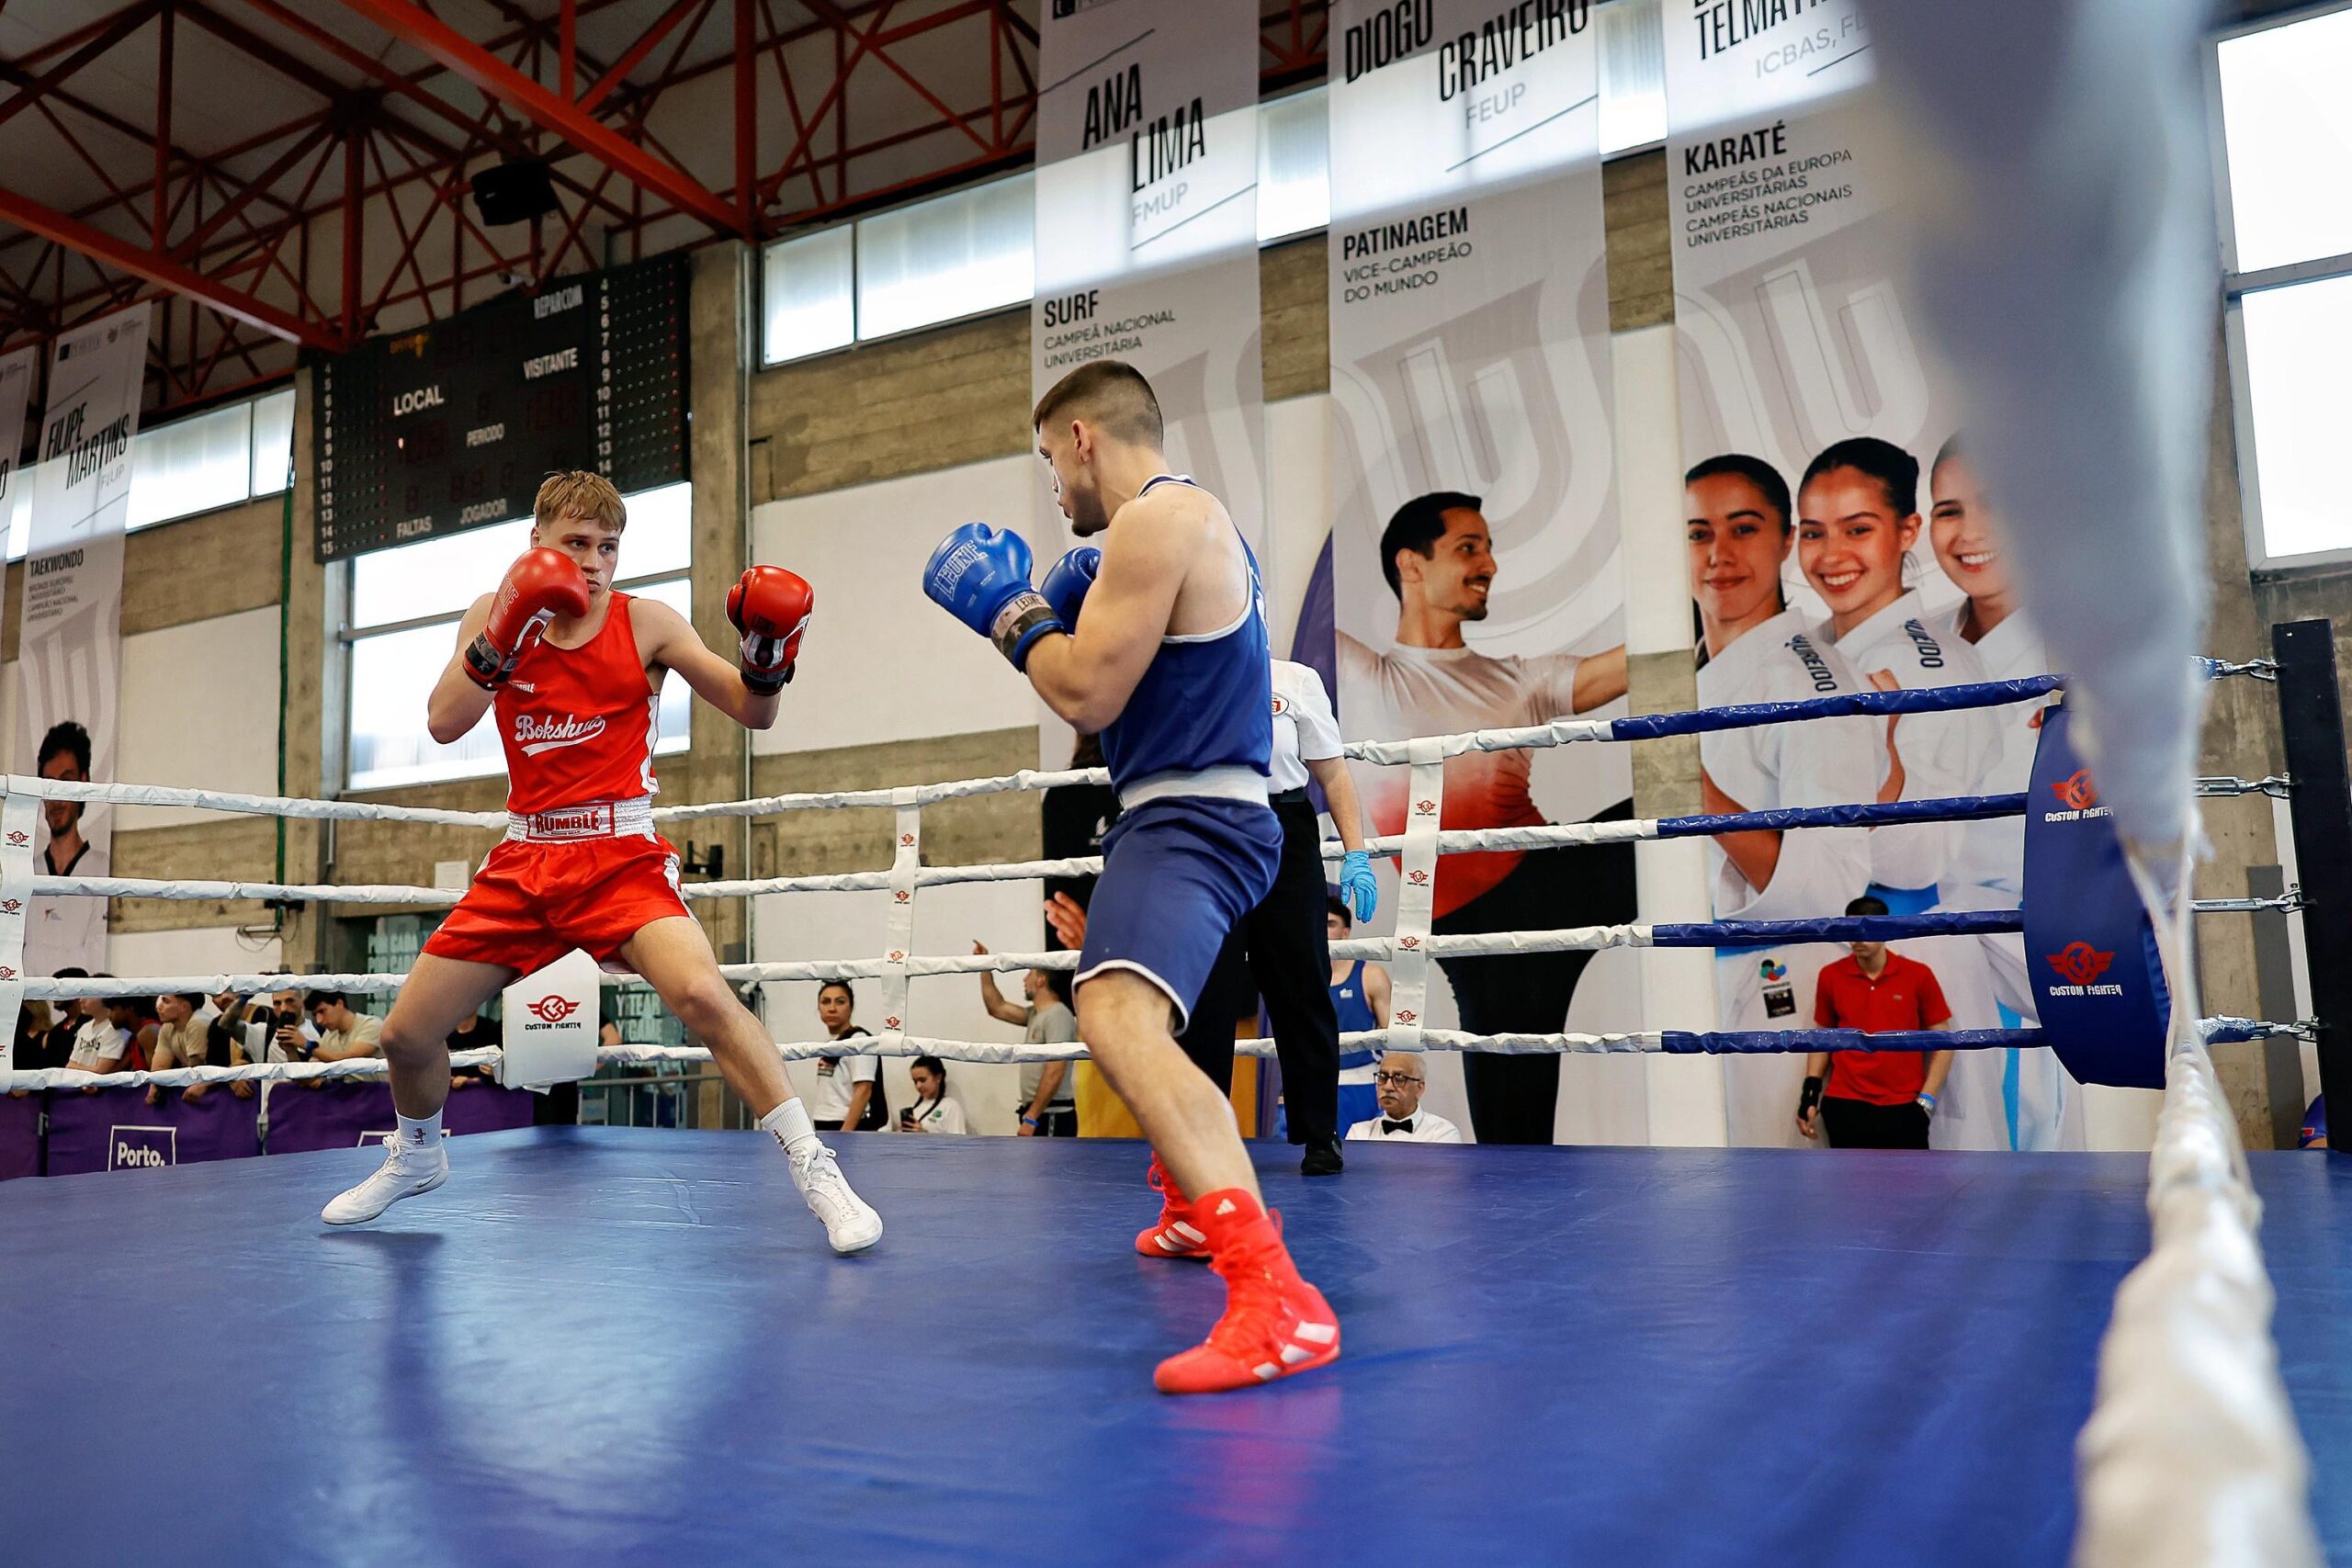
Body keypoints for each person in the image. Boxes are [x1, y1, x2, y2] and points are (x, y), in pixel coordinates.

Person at [318, 470, 880, 1254]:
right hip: (526, 855)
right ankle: (418, 1154)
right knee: (407, 1034)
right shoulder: (492, 614)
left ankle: (818, 1169)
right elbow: (444, 724)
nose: (591, 561)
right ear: (537, 544)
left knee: (702, 993)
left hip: (619, 852)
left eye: (606, 547)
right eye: (574, 544)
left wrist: (766, 653)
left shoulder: (646, 622)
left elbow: (754, 710)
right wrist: (505, 629)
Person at [926, 357, 1338, 1394]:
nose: (1053, 490)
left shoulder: (1161, 519)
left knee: (1110, 1016)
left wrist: (1008, 612)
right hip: (1181, 811)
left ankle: (1275, 1296)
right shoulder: (1174, 532)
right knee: (1134, 1014)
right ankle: (1198, 1210)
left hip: (1196, 813)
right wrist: (1053, 603)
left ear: (1080, 440)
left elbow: (1086, 693)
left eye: (1047, 461)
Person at [1339, 491, 1635, 1145]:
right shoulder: (1358, 673)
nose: (1490, 564)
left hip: (1550, 886)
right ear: (1410, 565)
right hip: (1471, 937)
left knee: (1672, 806)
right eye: (1468, 548)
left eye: (1490, 548)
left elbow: (1647, 657)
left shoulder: (1519, 681)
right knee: (1513, 1145)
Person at [1685, 457, 1879, 1146]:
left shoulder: (1811, 680)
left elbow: (1830, 885)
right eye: (1698, 533)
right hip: (1699, 971)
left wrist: (1694, 792)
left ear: (1786, 540)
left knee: (1784, 1202)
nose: (1718, 555)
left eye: (1743, 529)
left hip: (1781, 979)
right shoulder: (1702, 674)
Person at [1923, 437, 2083, 1152]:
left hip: (2034, 936)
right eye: (1949, 510)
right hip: (1918, 926)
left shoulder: (2074, 642)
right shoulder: (1918, 641)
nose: (1970, 532)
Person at [1795, 897, 1957, 1151]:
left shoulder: (1918, 975)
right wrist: (1809, 1095)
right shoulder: (1831, 976)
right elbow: (1822, 1037)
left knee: (1913, 1188)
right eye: (1850, 930)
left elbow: (1944, 1039)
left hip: (1904, 1107)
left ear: (1886, 930)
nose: (1857, 938)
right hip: (1845, 1103)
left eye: (1866, 929)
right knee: (1851, 1190)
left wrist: (1926, 1100)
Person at [25, 720, 109, 980]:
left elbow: (96, 956)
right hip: (26, 1016)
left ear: (83, 783)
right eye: (49, 785)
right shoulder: (27, 872)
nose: (57, 798)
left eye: (66, 781)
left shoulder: (102, 868)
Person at [975, 952, 1080, 1135]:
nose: (1024, 979)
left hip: (1050, 1114)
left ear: (1041, 980)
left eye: (1029, 973)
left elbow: (1056, 1069)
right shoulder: (1036, 1014)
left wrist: (1032, 1116)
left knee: (1050, 1166)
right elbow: (996, 1007)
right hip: (1039, 1114)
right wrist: (985, 967)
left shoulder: (1058, 1015)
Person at [1324, 895, 1391, 1137]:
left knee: (1365, 1161)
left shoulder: (1370, 975)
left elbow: (1393, 1040)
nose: (1323, 930)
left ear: (1345, 932)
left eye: (1330, 924)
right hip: (1311, 1083)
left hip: (1361, 1084)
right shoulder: (1298, 980)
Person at [808, 980, 886, 1133]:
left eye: (840, 1002)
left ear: (851, 1007)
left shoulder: (859, 1040)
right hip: (825, 1123)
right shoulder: (830, 1043)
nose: (832, 1008)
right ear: (818, 1007)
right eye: (825, 1002)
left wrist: (845, 1133)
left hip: (847, 1126)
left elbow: (863, 1090)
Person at [1345, 1053, 1462, 1143]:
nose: (1388, 1087)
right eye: (1383, 1077)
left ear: (1419, 1088)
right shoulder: (1359, 1133)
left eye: (1399, 1078)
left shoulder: (1442, 1133)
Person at [146, 992, 220, 1107]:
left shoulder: (198, 1023)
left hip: (215, 1087)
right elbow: (160, 1067)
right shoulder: (167, 1026)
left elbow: (198, 1070)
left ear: (184, 1007)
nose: (159, 1006)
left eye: (166, 1001)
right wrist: (154, 1086)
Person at [896, 1055, 968, 1134]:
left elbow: (957, 1143)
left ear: (938, 1078)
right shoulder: (915, 1108)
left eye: (922, 1080)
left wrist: (924, 1135)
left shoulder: (951, 1107)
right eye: (915, 1081)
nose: (918, 1086)